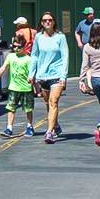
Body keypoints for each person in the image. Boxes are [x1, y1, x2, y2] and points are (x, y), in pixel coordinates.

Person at [32, 13, 73, 144]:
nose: (47, 22)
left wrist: (63, 76)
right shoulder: (38, 37)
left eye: (50, 20)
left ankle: (49, 132)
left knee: (53, 101)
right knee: (48, 104)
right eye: (45, 20)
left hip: (56, 75)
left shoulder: (60, 37)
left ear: (54, 22)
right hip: (43, 75)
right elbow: (34, 56)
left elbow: (65, 56)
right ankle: (55, 124)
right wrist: (31, 74)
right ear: (41, 23)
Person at [0, 25, 37, 137]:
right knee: (11, 108)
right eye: (14, 47)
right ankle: (9, 128)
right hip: (13, 87)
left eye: (18, 47)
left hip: (26, 88)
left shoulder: (28, 59)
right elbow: (3, 68)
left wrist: (36, 88)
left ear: (24, 46)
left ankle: (29, 126)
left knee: (28, 109)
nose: (16, 49)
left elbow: (32, 75)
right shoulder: (11, 57)